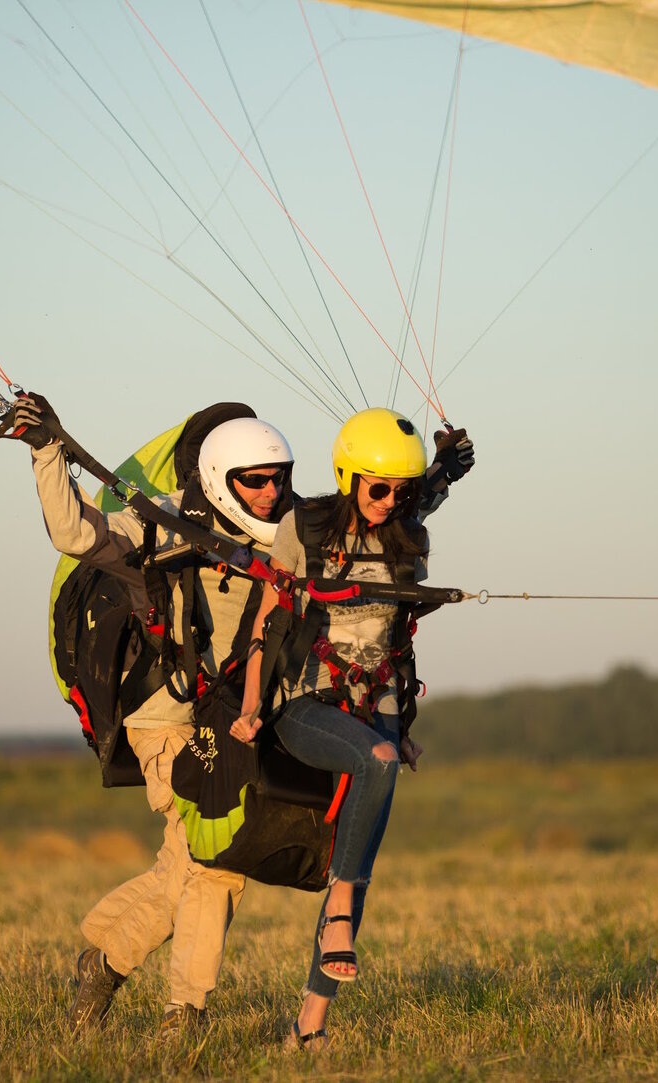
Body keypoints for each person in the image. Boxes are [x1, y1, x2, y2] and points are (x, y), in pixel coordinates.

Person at [12, 393, 295, 1036]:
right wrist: (46, 453)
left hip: (233, 716)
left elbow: (370, 530)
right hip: (165, 713)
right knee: (213, 859)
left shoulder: (295, 531)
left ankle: (103, 962)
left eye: (279, 477)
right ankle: (185, 1012)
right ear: (222, 476)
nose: (270, 491)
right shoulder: (162, 523)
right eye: (255, 480)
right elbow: (74, 533)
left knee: (183, 867)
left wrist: (435, 477)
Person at [229, 406, 471, 1050]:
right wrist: (251, 707)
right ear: (348, 476)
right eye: (379, 488)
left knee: (358, 850)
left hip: (380, 706)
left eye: (404, 490)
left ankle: (310, 1027)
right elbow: (264, 620)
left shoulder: (408, 527)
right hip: (308, 701)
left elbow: (430, 491)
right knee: (378, 766)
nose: (391, 502)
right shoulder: (302, 530)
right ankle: (338, 902)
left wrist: (446, 461)